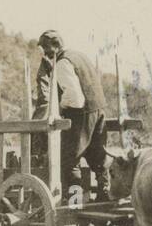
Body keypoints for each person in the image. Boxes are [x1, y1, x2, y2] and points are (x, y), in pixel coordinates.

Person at [33, 30, 109, 196]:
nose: (45, 54)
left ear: (55, 47)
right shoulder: (78, 55)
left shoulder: (62, 63)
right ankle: (104, 194)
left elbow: (75, 99)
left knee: (69, 160)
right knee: (97, 154)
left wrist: (59, 108)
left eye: (47, 50)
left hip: (81, 113)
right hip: (99, 109)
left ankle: (76, 204)